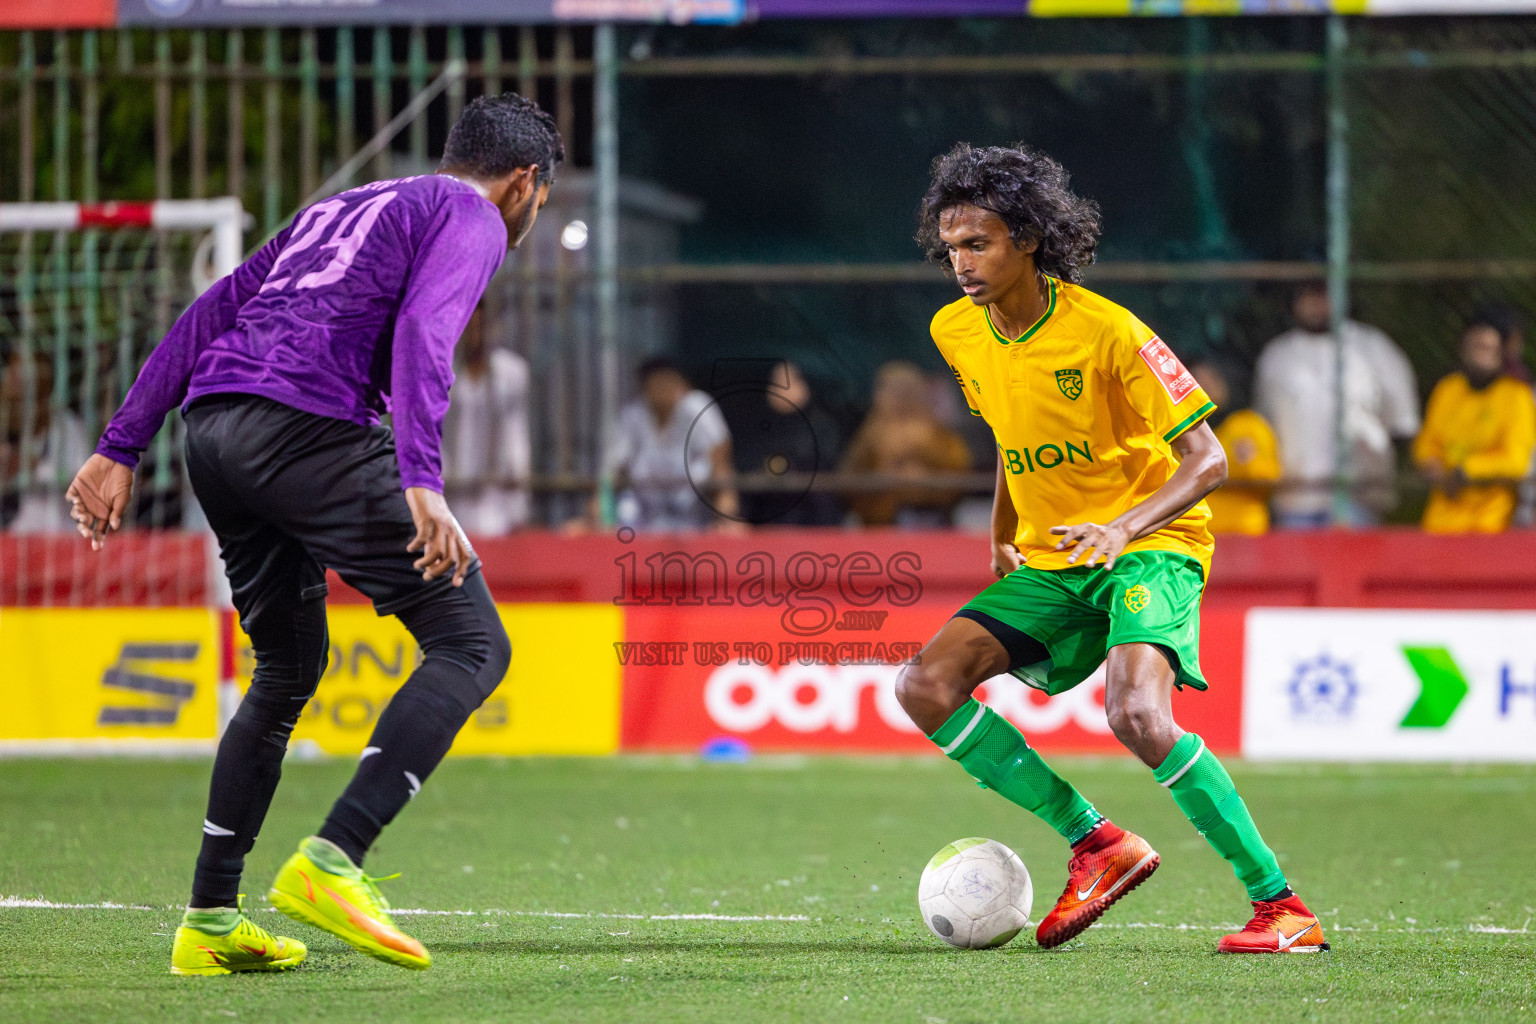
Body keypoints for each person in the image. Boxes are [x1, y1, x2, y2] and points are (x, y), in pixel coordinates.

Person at [64, 93, 563, 975]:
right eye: (543, 195)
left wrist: (119, 445)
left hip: (214, 435)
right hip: (308, 429)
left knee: (289, 669)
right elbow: (425, 332)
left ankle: (210, 920)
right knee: (472, 644)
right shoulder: (474, 214)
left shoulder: (345, 205)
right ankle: (335, 859)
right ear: (524, 181)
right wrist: (422, 479)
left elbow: (213, 308)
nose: (536, 211)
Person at [898, 142, 1327, 955]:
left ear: (1026, 237)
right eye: (950, 246)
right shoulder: (955, 331)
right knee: (926, 685)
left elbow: (1209, 459)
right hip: (1056, 556)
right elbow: (1006, 430)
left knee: (1135, 711)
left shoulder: (1112, 333)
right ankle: (1097, 843)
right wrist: (1000, 529)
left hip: (1150, 541)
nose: (960, 262)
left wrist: (1123, 528)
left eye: (978, 243)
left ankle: (1283, 907)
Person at [1254, 281, 1419, 527]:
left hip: (1359, 496)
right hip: (1295, 499)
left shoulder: (1373, 347)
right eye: (1309, 296)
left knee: (1357, 563)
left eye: (1325, 295)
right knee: (1298, 566)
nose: (1317, 304)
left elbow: (1404, 423)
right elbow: (1261, 427)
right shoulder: (1277, 356)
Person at [1412, 318, 1536, 533]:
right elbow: (1427, 442)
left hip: (1491, 520)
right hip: (1442, 518)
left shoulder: (1516, 396)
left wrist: (1468, 470)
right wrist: (1432, 464)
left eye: (1487, 348)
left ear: (1501, 353)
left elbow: (1517, 461)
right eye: (1475, 346)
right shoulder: (1448, 390)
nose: (1481, 354)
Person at [601, 356, 740, 531]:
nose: (665, 390)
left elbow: (721, 464)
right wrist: (600, 520)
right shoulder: (632, 416)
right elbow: (611, 473)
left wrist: (727, 517)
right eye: (658, 384)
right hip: (642, 521)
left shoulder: (697, 407)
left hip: (695, 520)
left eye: (670, 383)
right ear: (644, 388)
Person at [841, 360, 973, 527]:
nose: (901, 398)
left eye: (907, 390)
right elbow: (850, 477)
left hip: (934, 520)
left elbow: (961, 474)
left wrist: (925, 455)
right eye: (892, 390)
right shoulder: (871, 432)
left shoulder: (936, 432)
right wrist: (886, 473)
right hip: (881, 523)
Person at [442, 304, 533, 535]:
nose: (474, 334)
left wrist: (520, 502)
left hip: (496, 496)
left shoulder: (511, 372)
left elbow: (516, 435)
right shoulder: (444, 372)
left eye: (479, 326)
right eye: (468, 327)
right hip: (453, 491)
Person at [728, 360, 843, 526]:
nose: (779, 390)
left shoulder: (821, 428)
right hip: (763, 523)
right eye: (775, 383)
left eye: (787, 383)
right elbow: (745, 475)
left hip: (811, 522)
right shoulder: (757, 428)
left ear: (805, 387)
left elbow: (824, 487)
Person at [1189, 356, 1281, 536]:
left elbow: (1271, 477)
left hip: (1245, 531)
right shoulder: (1181, 435)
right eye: (1196, 381)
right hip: (1200, 534)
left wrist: (1246, 466)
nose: (1204, 387)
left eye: (1211, 379)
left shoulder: (1249, 425)